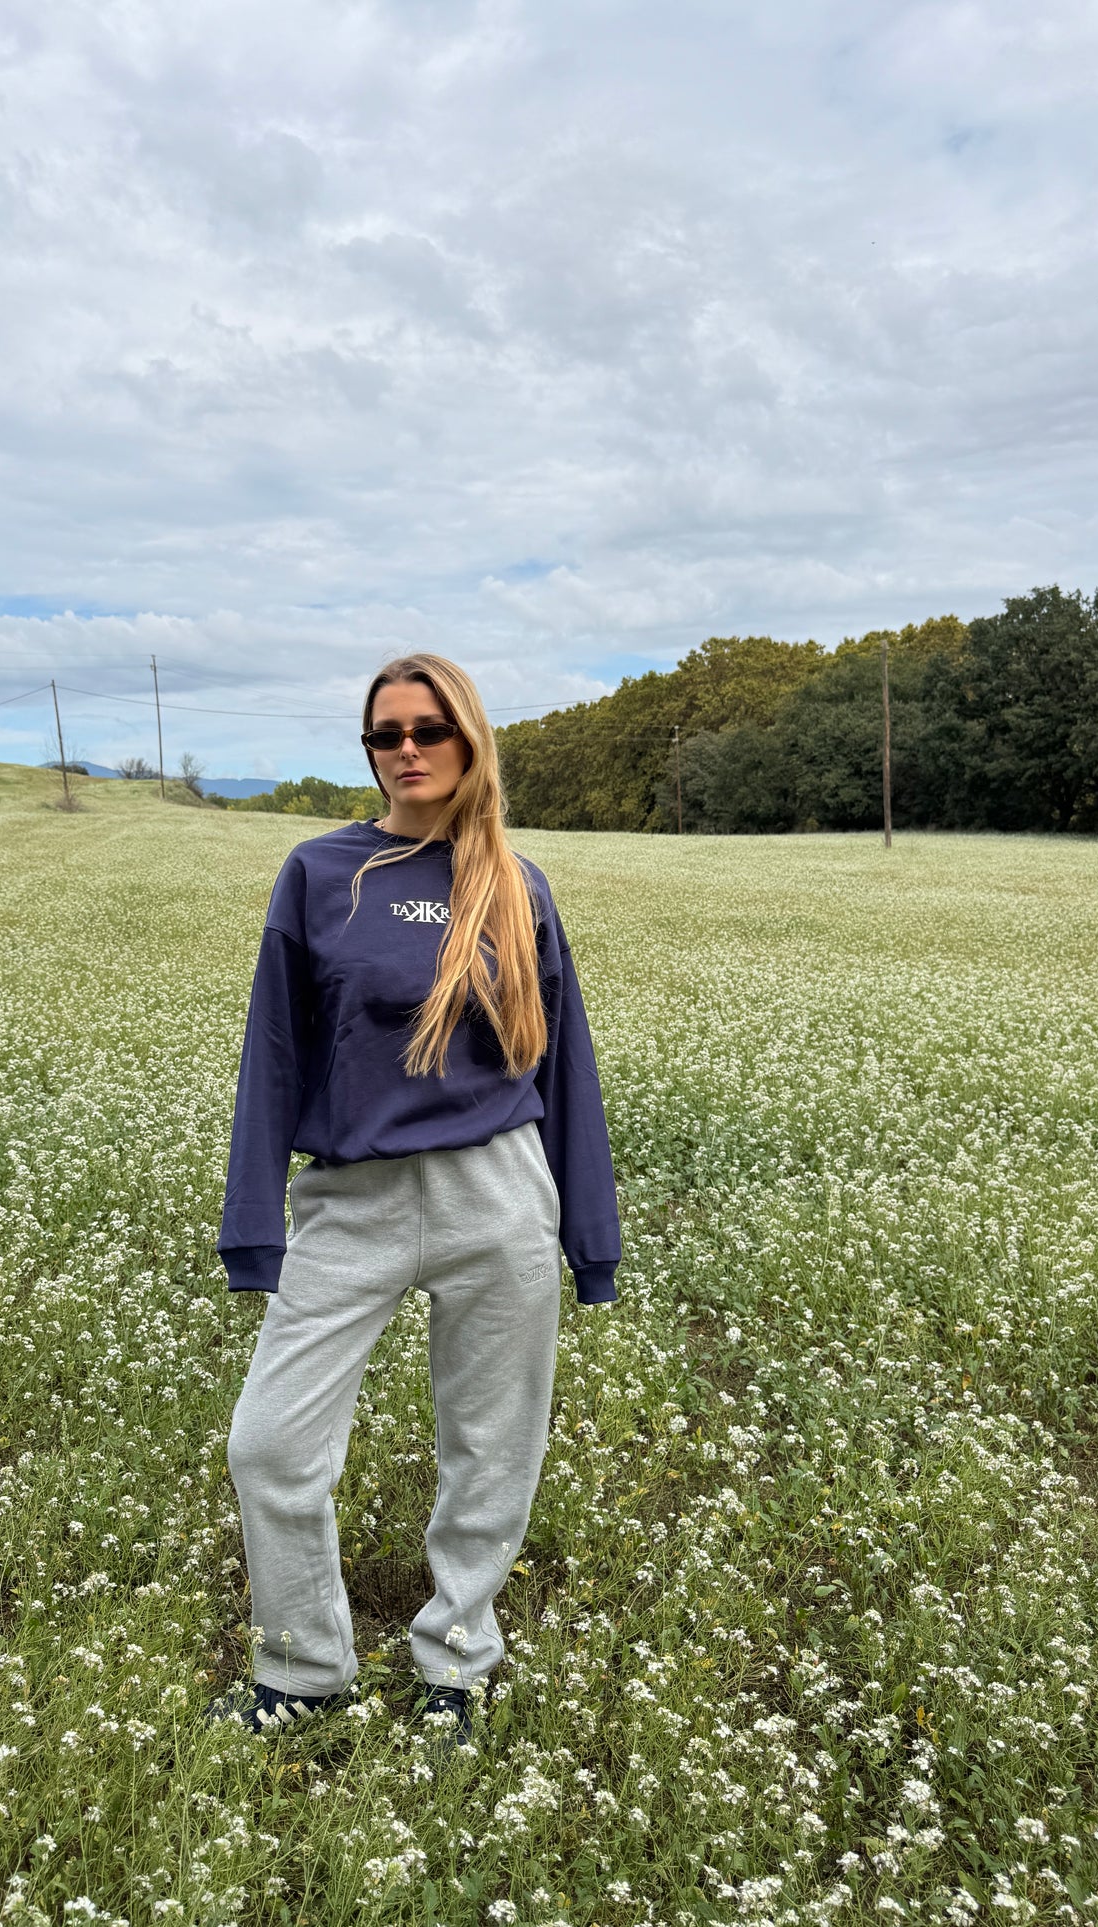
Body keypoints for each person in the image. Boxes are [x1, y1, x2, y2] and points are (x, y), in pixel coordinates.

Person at [209, 652, 621, 1750]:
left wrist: (590, 1237)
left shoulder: (517, 884)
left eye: (426, 728)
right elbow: (275, 1051)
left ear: (467, 738)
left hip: (498, 1195)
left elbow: (564, 1066)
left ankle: (457, 1661)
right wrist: (252, 1222)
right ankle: (302, 1671)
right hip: (352, 1203)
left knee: (489, 1447)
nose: (404, 749)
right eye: (383, 733)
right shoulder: (318, 873)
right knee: (269, 1445)